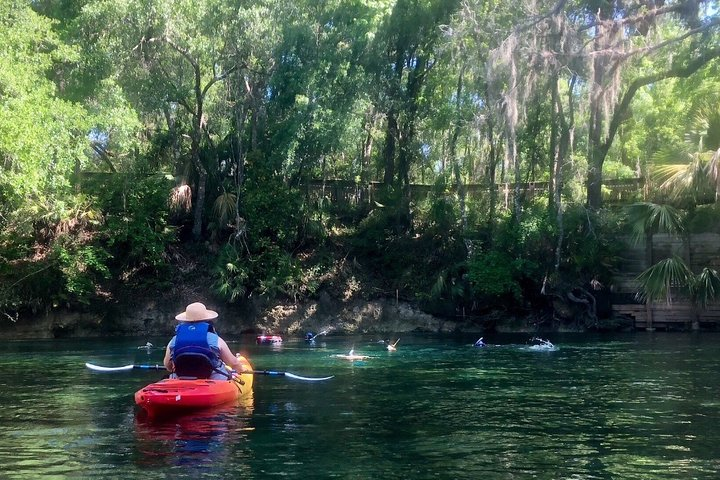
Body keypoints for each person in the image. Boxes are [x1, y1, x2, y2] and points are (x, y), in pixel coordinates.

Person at [163, 302, 246, 380]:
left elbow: (168, 365)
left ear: (186, 320)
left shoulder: (174, 340)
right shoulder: (215, 339)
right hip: (213, 380)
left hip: (182, 378)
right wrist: (240, 370)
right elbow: (233, 363)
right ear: (206, 320)